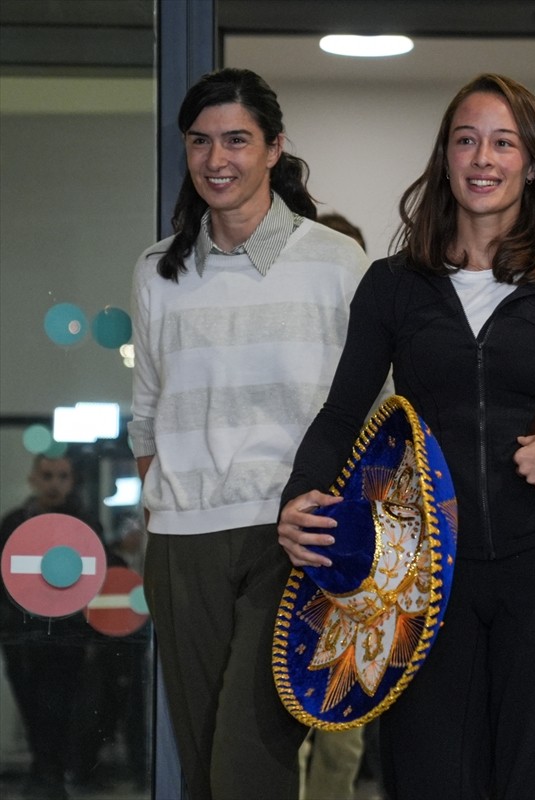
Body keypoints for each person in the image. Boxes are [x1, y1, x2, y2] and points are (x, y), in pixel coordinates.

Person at [277, 73, 535, 800]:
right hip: (426, 588)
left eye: (503, 142)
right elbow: (341, 417)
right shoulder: (391, 286)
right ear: (445, 158)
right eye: (466, 140)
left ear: (532, 163)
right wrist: (298, 499)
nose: (483, 157)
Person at [129, 67, 370, 800]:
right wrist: (165, 502)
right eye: (200, 142)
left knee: (248, 768)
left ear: (274, 148)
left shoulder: (337, 264)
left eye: (236, 139)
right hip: (180, 546)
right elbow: (146, 412)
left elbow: (373, 414)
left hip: (290, 541)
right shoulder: (154, 271)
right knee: (204, 775)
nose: (216, 159)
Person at [299, 211, 370, 800]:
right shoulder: (294, 358)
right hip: (294, 552)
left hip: (356, 566)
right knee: (287, 715)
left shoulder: (383, 366)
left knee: (344, 728)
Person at [0, 454, 96, 800]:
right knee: (32, 711)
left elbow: (97, 580)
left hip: (67, 638)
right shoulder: (12, 523)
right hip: (21, 638)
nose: (55, 482)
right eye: (47, 475)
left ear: (71, 482)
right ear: (33, 480)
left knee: (58, 710)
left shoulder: (85, 525)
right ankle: (44, 774)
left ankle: (48, 777)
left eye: (62, 476)